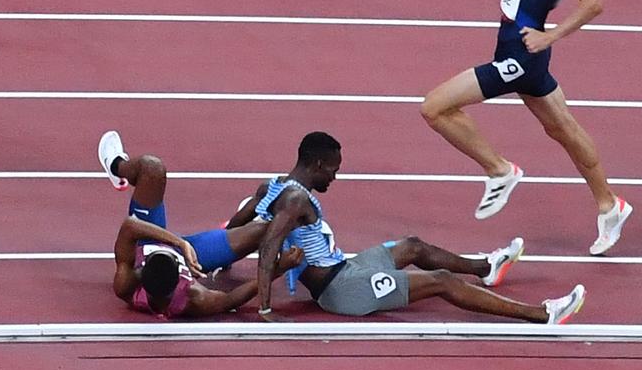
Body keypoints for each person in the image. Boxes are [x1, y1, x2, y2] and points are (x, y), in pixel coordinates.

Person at [421, 0, 632, 255]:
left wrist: (549, 36)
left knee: (434, 108)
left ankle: (500, 170)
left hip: (523, 55)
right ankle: (610, 205)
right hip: (507, 45)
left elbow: (594, 2)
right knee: (562, 128)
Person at [246, 131, 585, 324]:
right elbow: (268, 247)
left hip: (346, 268)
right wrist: (264, 309)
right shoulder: (293, 201)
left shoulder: (273, 185)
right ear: (317, 164)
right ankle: (542, 315)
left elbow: (237, 224)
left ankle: (485, 268)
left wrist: (213, 262)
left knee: (412, 245)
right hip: (344, 290)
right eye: (332, 169)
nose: (335, 176)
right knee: (441, 282)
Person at [98, 130, 303, 318]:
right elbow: (229, 300)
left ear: (140, 270)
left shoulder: (126, 284)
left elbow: (130, 226)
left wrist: (179, 243)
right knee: (270, 231)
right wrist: (280, 268)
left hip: (151, 238)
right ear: (181, 279)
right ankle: (254, 213)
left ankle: (116, 166)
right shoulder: (193, 299)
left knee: (152, 168)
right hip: (196, 257)